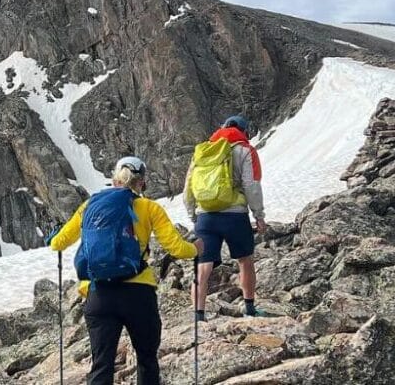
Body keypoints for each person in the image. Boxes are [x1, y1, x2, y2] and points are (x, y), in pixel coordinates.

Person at [49, 156, 201, 385]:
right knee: (147, 359)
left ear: (114, 179)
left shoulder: (90, 205)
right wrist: (196, 249)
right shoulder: (149, 207)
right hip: (138, 294)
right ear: (142, 183)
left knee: (101, 365)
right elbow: (177, 248)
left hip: (99, 294)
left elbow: (58, 243)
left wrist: (54, 239)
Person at [184, 115, 266, 321]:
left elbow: (188, 187)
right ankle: (249, 308)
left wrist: (192, 214)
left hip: (205, 216)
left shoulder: (202, 151)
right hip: (235, 215)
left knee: (203, 265)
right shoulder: (246, 150)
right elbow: (251, 186)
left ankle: (198, 315)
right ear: (244, 131)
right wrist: (259, 215)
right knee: (245, 259)